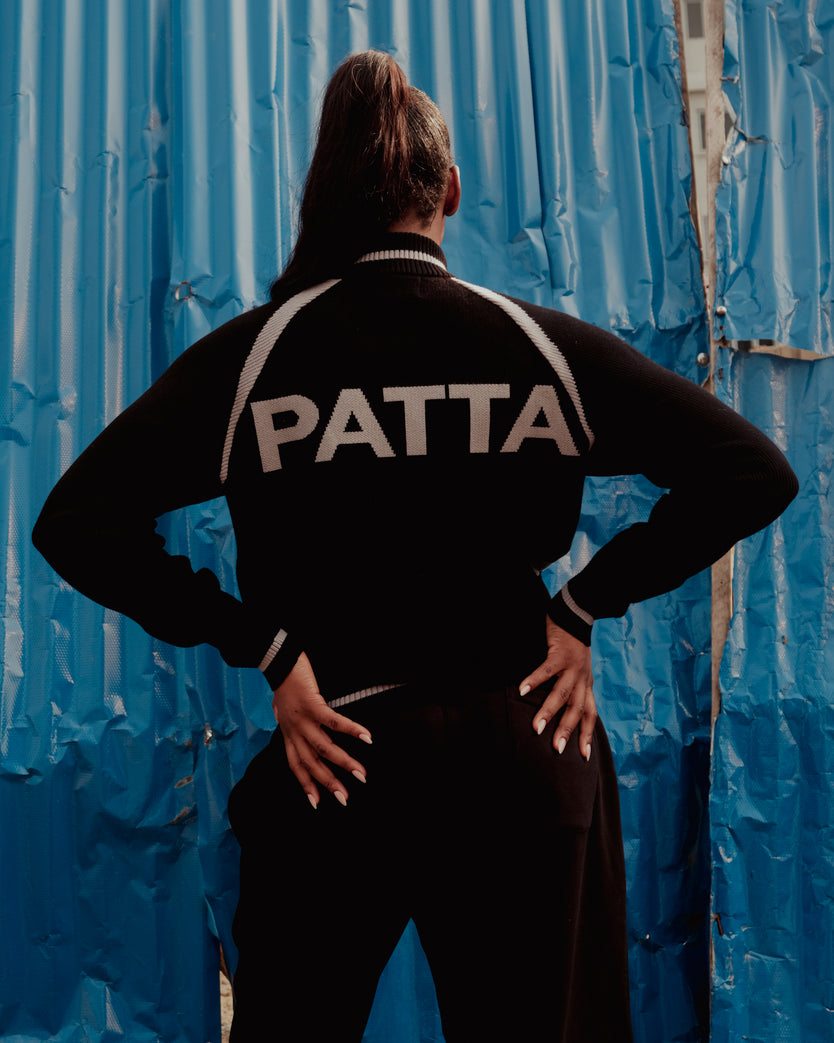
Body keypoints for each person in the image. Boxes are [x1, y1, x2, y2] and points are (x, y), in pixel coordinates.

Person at [33, 50, 798, 1042]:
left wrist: (265, 647)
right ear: (451, 191)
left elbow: (76, 520)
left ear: (335, 195)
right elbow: (752, 469)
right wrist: (584, 604)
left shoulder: (258, 359)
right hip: (523, 744)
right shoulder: (537, 347)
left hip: (338, 749)